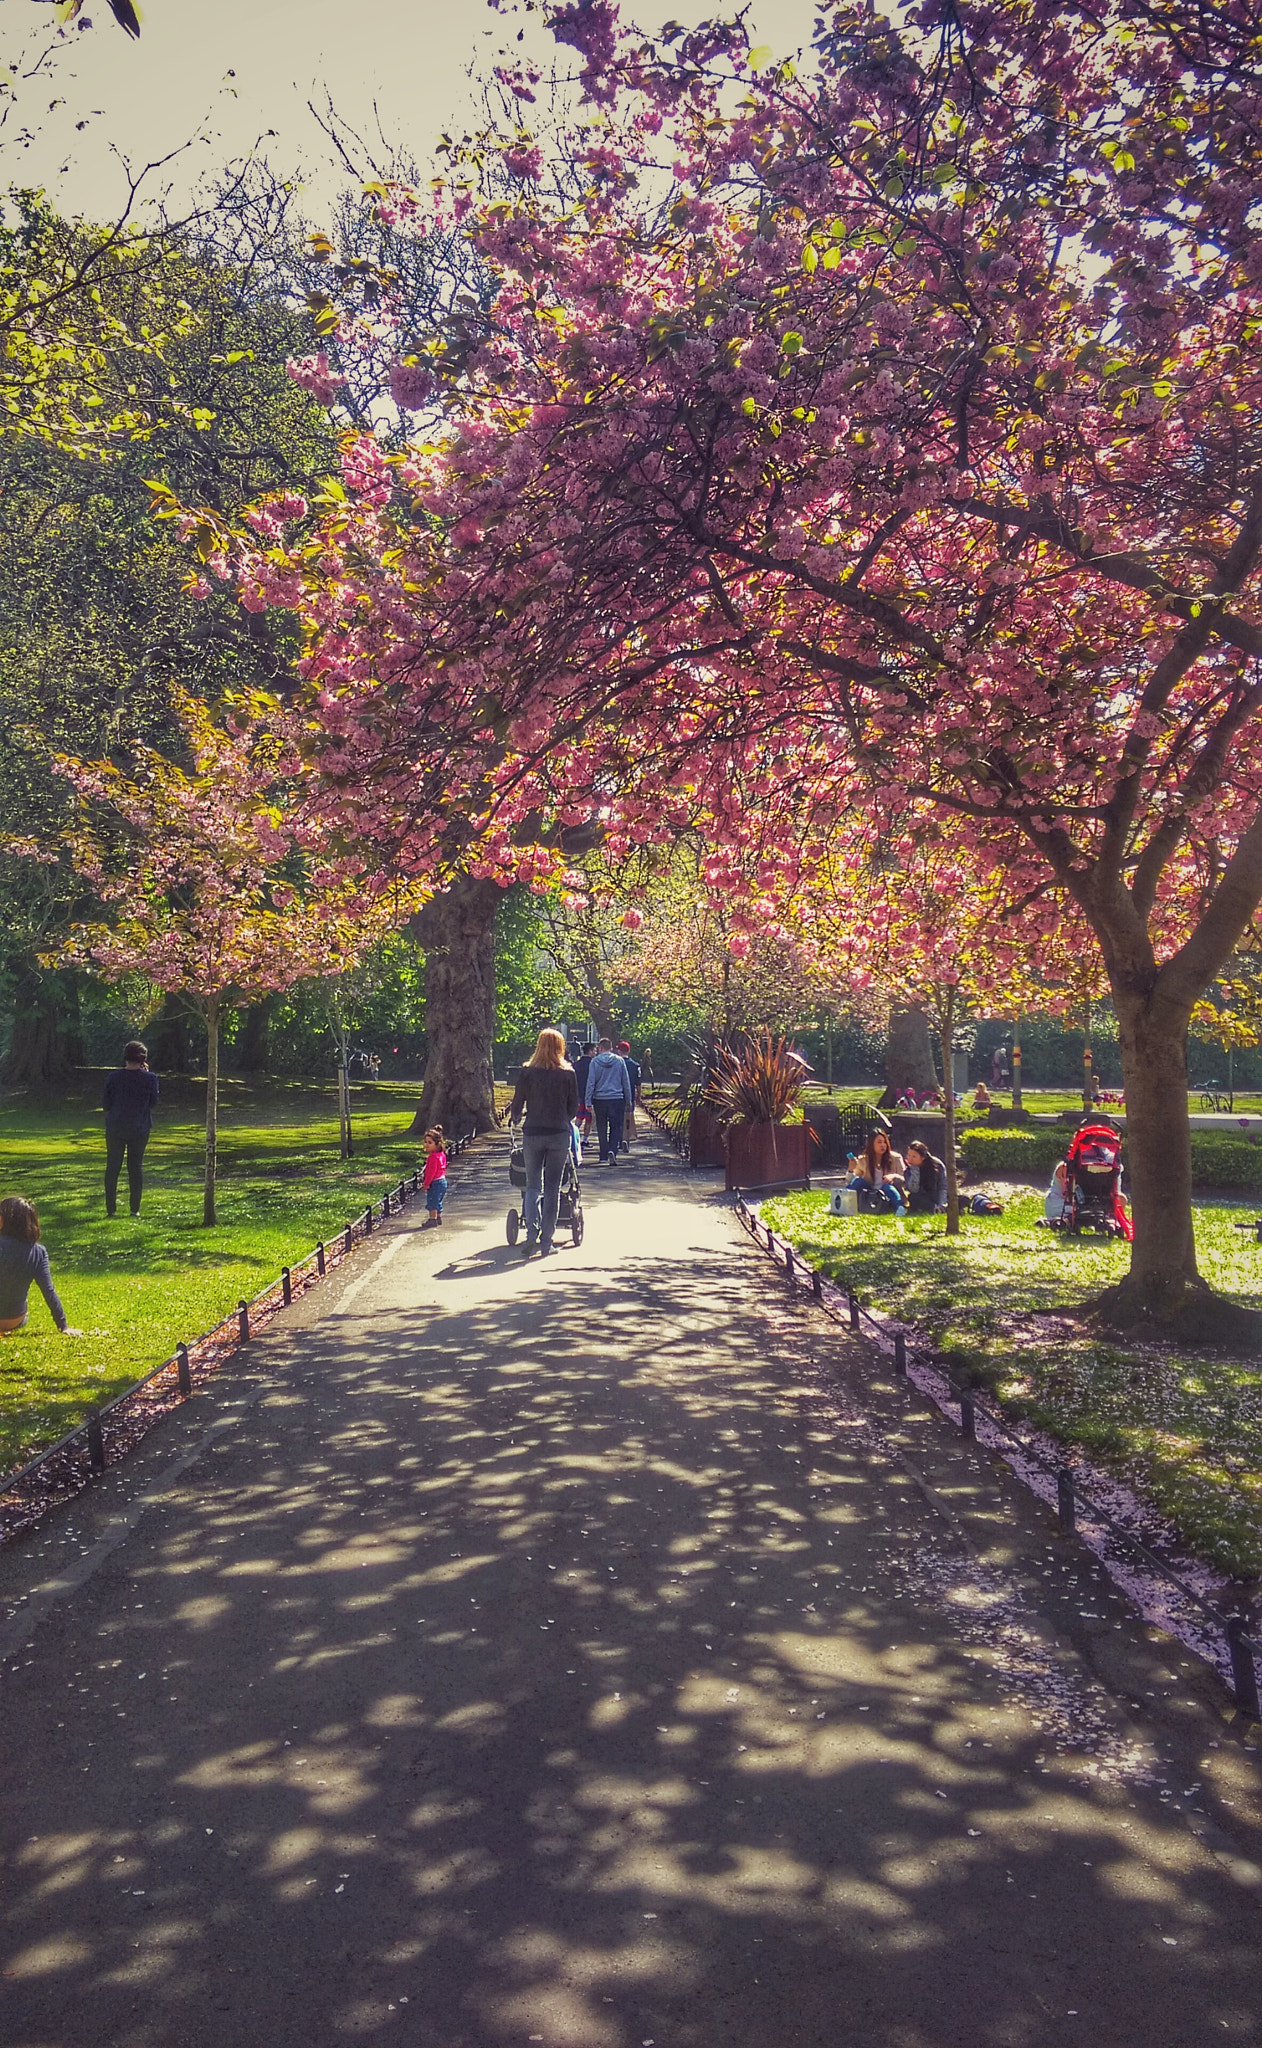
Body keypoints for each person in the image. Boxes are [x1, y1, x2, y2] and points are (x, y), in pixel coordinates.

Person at [510, 1029, 580, 1255]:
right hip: (558, 1133)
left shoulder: (527, 1072)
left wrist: (517, 1117)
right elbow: (573, 1108)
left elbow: (517, 1102)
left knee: (532, 1186)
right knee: (552, 1188)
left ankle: (531, 1233)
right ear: (561, 1047)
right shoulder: (567, 1074)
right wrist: (562, 1118)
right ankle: (546, 1241)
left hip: (533, 1132)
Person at [0, 1198, 82, 1337]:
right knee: (24, 1316)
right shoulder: (39, 1252)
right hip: (15, 1320)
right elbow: (49, 1291)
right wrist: (63, 1326)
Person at [102, 1040, 160, 1219]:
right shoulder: (150, 1078)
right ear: (143, 1059)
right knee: (135, 1167)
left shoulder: (113, 1077)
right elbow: (153, 1103)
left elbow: (106, 1104)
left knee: (113, 1166)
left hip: (115, 1126)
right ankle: (134, 1208)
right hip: (140, 1127)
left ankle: (111, 1208)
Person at [584, 1036, 633, 1164]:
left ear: (600, 1048)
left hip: (600, 1099)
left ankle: (603, 1155)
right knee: (616, 1126)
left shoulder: (594, 1062)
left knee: (601, 1127)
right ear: (611, 1048)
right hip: (617, 1098)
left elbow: (590, 1083)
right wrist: (628, 1099)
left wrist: (588, 1101)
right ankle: (613, 1150)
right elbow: (625, 1081)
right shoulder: (619, 1061)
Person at [847, 1128, 907, 1213]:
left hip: (887, 1194)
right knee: (858, 1181)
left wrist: (894, 1176)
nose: (883, 1145)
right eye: (879, 1142)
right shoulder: (863, 1160)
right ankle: (842, 1202)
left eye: (885, 1142)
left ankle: (900, 1208)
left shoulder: (896, 1158)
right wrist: (850, 1170)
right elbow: (852, 1182)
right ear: (871, 1144)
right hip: (869, 1194)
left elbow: (905, 1179)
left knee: (887, 1187)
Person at [904, 1139, 947, 1213]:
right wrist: (914, 1170)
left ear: (923, 1157)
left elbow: (943, 1186)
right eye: (909, 1155)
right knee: (913, 1198)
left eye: (914, 1156)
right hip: (921, 1198)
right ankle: (933, 1209)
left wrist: (941, 1205)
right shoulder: (909, 1170)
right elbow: (913, 1189)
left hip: (936, 1196)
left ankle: (939, 1209)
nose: (910, 1159)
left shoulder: (937, 1164)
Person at [617, 1040, 641, 1151]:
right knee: (628, 1119)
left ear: (618, 1050)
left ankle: (619, 1139)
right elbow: (638, 1083)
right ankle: (626, 1138)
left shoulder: (615, 1064)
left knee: (617, 1119)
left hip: (616, 1095)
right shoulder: (635, 1065)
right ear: (629, 1050)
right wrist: (638, 1096)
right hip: (630, 1095)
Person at [422, 1128, 448, 1227]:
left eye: (430, 1142)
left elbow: (431, 1172)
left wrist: (426, 1183)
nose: (426, 1145)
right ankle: (439, 1217)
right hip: (442, 1180)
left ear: (437, 1144)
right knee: (438, 1200)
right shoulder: (441, 1155)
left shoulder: (432, 1157)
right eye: (425, 1142)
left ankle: (432, 1219)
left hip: (435, 1182)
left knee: (432, 1201)